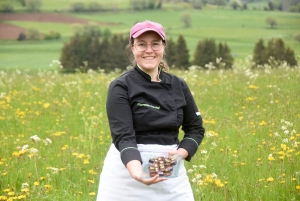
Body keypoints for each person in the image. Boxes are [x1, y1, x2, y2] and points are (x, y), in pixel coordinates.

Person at [96, 20, 205, 201]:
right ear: (133, 48)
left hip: (170, 174)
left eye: (155, 44)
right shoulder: (121, 86)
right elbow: (123, 136)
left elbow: (195, 129)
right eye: (142, 44)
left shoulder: (178, 85)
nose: (149, 50)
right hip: (126, 177)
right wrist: (137, 172)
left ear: (163, 46)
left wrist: (180, 153)